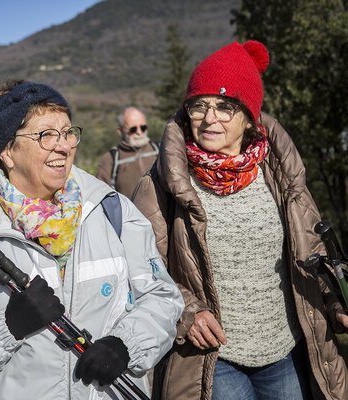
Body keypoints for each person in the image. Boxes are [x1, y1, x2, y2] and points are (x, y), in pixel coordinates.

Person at [0, 80, 184, 400]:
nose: (64, 145)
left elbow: (163, 298)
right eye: (46, 135)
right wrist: (7, 328)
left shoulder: (112, 210)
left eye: (68, 132)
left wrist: (126, 345)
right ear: (6, 151)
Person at [131, 41, 348, 400]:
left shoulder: (282, 176)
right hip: (216, 359)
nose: (209, 118)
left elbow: (314, 250)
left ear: (249, 117)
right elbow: (142, 267)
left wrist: (335, 301)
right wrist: (188, 311)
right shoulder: (160, 185)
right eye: (199, 106)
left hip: (286, 351)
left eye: (225, 107)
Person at [95, 107, 159, 199]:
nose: (139, 132)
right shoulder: (110, 160)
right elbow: (101, 196)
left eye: (143, 127)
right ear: (120, 131)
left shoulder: (160, 149)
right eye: (133, 129)